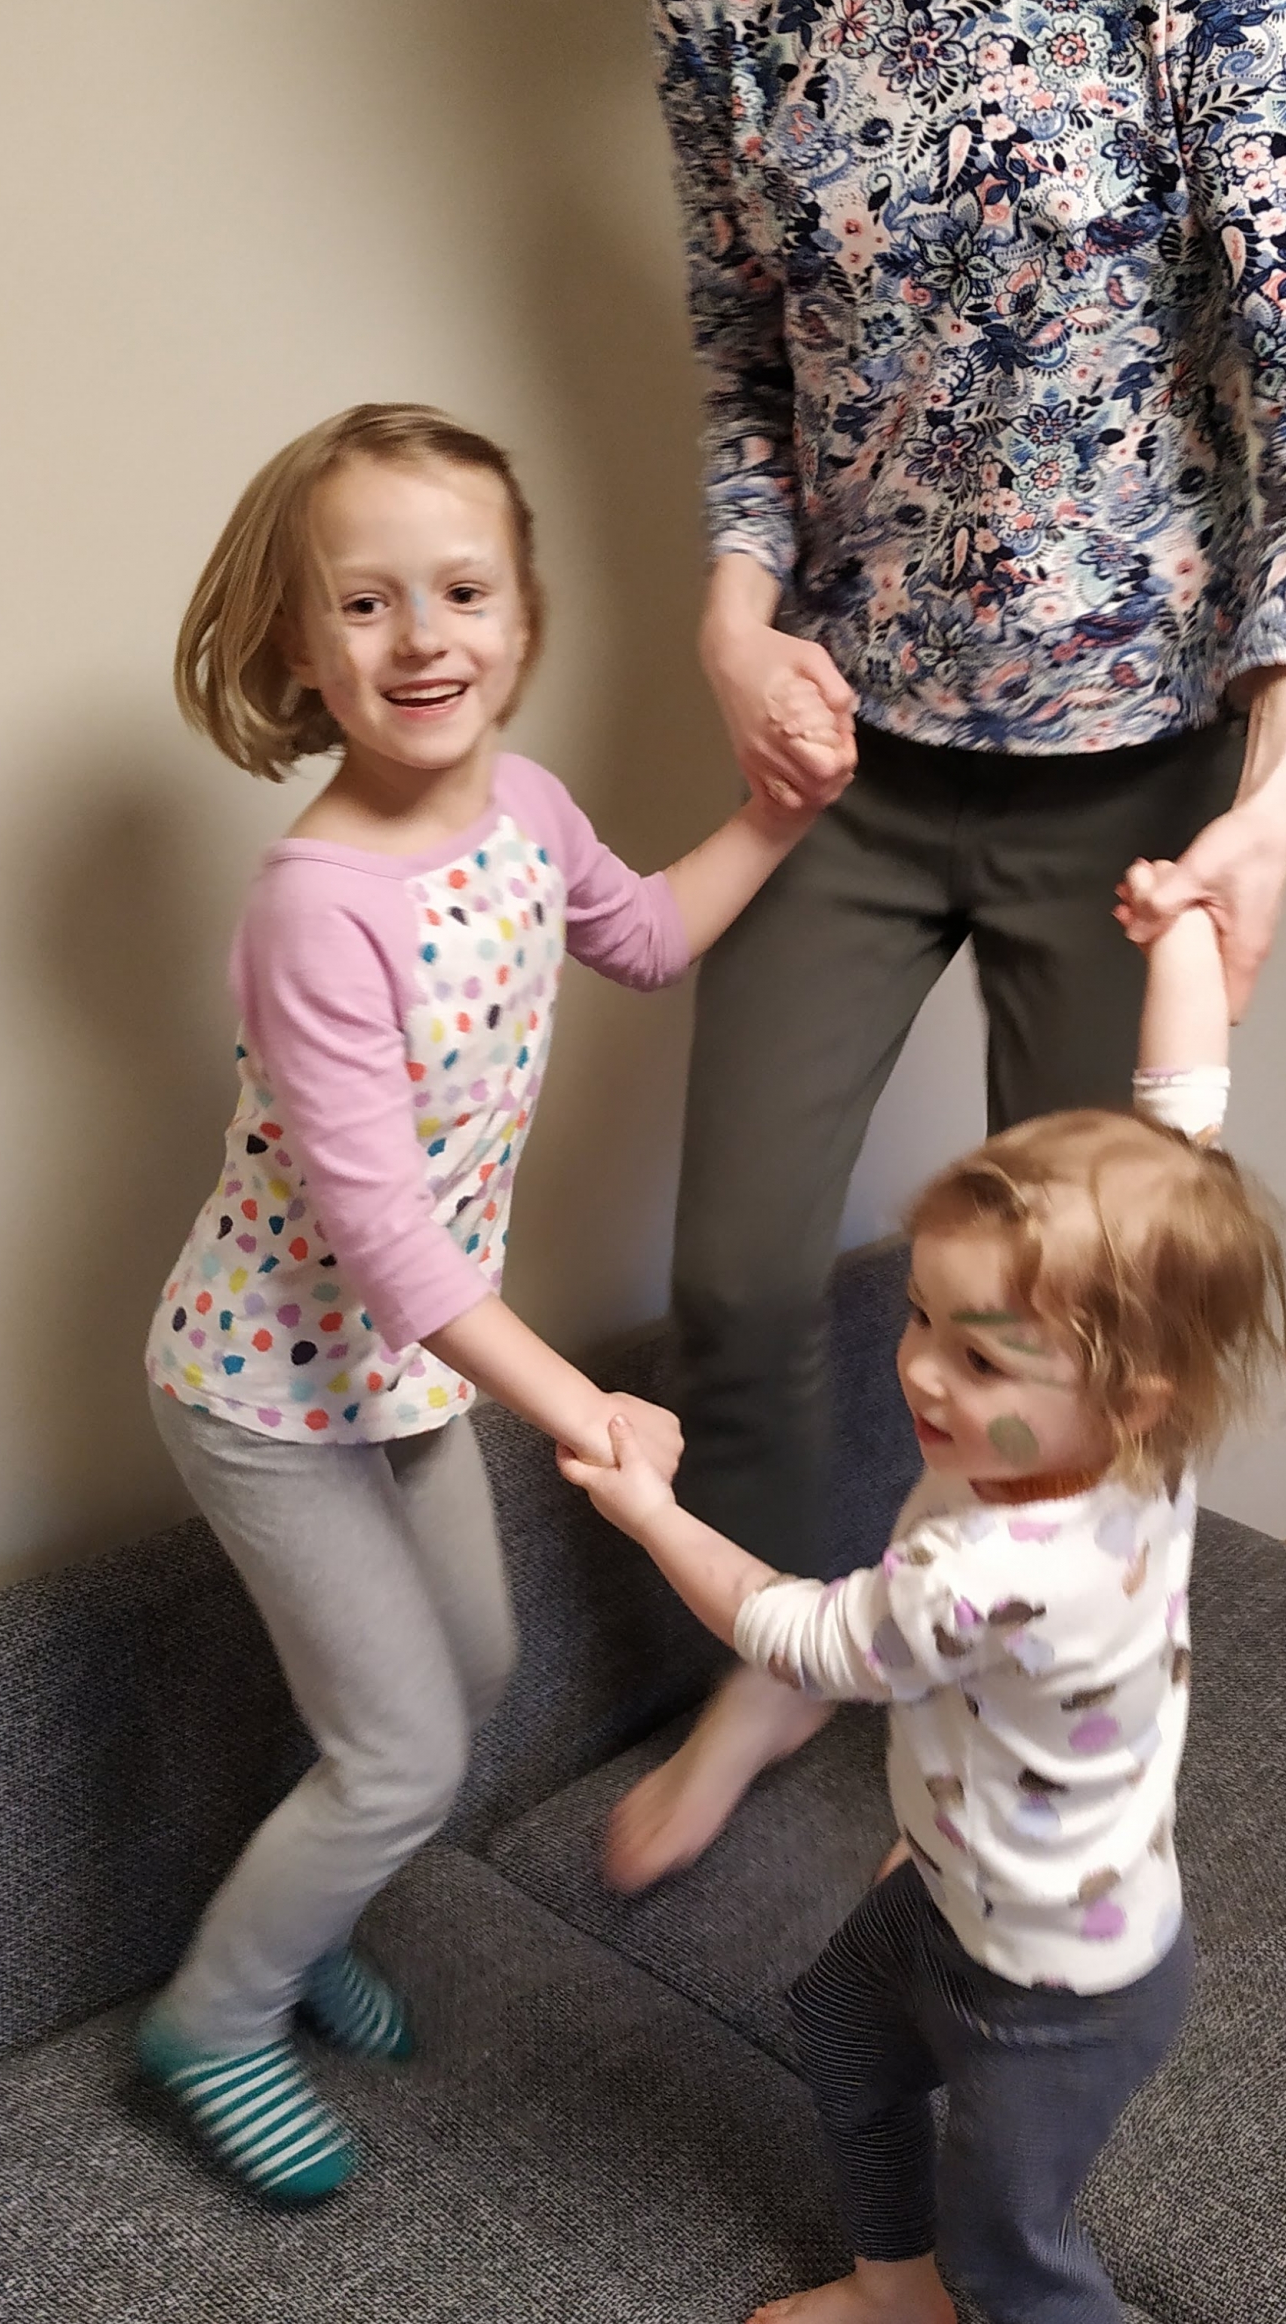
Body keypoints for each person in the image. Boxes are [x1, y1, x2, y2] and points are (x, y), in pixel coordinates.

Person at [606, 0, 1286, 1889]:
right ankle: (776, 1672)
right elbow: (747, 380)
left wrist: (1275, 787)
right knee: (742, 1278)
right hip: (840, 773)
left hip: (1132, 790)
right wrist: (734, 621)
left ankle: (1014, 1769)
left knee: (1097, 1348)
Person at [136, 401, 834, 2201]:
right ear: (302, 648)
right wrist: (586, 1411)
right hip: (267, 1394)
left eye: (462, 590)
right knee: (402, 1751)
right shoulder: (317, 908)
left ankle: (305, 1918)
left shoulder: (525, 809)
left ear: (525, 620)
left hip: (407, 1382)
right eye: (364, 605)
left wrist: (774, 814)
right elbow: (395, 1250)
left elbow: (652, 937)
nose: (423, 635)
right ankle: (216, 2014)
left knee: (475, 1667)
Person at [562, 889, 1286, 2324]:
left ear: (1137, 1398)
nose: (928, 1380)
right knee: (835, 2028)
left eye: (984, 1354)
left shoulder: (1000, 1569)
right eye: (921, 1322)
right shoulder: (1134, 1426)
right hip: (959, 1883)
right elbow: (1186, 1108)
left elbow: (797, 1632)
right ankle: (897, 2288)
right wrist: (1185, 926)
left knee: (1015, 2236)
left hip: (1060, 1985)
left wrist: (654, 1511)